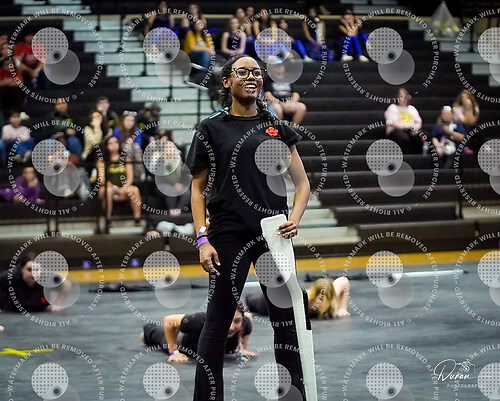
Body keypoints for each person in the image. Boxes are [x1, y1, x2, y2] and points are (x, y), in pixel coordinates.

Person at [186, 55, 310, 400]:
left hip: (273, 235)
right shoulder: (211, 128)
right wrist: (202, 238)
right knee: (217, 322)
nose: (251, 76)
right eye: (242, 72)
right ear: (227, 82)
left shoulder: (274, 125)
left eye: (256, 72)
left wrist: (295, 218)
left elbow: (302, 184)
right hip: (227, 234)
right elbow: (197, 190)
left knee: (286, 323)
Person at [141, 308, 258, 362]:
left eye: (237, 321)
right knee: (149, 335)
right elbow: (169, 320)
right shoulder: (200, 321)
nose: (231, 327)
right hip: (184, 344)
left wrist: (242, 349)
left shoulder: (245, 323)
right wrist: (174, 352)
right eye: (226, 321)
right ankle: (147, 333)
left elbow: (248, 319)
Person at [247, 277, 351, 319]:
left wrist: (343, 308)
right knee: (252, 302)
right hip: (269, 304)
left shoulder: (329, 294)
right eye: (320, 299)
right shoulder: (303, 301)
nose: (322, 303)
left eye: (324, 299)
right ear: (315, 296)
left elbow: (344, 280)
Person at [0, 253, 69, 313]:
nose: (33, 274)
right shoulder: (9, 277)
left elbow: (66, 284)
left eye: (36, 270)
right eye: (29, 270)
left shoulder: (47, 276)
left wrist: (58, 304)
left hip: (41, 310)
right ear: (21, 269)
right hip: (12, 311)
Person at [97, 135, 142, 225]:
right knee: (107, 191)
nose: (114, 145)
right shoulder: (102, 161)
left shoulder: (125, 158)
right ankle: (108, 219)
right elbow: (102, 179)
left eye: (116, 142)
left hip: (124, 187)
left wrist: (125, 188)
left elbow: (130, 177)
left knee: (135, 190)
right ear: (107, 146)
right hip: (109, 187)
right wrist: (113, 187)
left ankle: (137, 219)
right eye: (111, 143)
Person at [384, 88, 423, 154]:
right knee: (403, 138)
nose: (403, 99)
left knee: (421, 136)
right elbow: (392, 123)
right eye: (401, 97)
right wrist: (405, 129)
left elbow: (418, 122)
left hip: (411, 129)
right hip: (396, 130)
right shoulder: (392, 108)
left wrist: (416, 129)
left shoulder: (412, 108)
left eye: (405, 97)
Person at [113, 111, 145, 182]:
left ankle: (139, 173)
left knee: (135, 148)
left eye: (132, 121)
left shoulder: (137, 131)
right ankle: (130, 174)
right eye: (128, 120)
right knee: (128, 148)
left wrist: (131, 143)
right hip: (121, 151)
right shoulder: (117, 131)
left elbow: (138, 145)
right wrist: (125, 143)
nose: (130, 123)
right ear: (123, 121)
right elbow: (115, 143)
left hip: (134, 152)